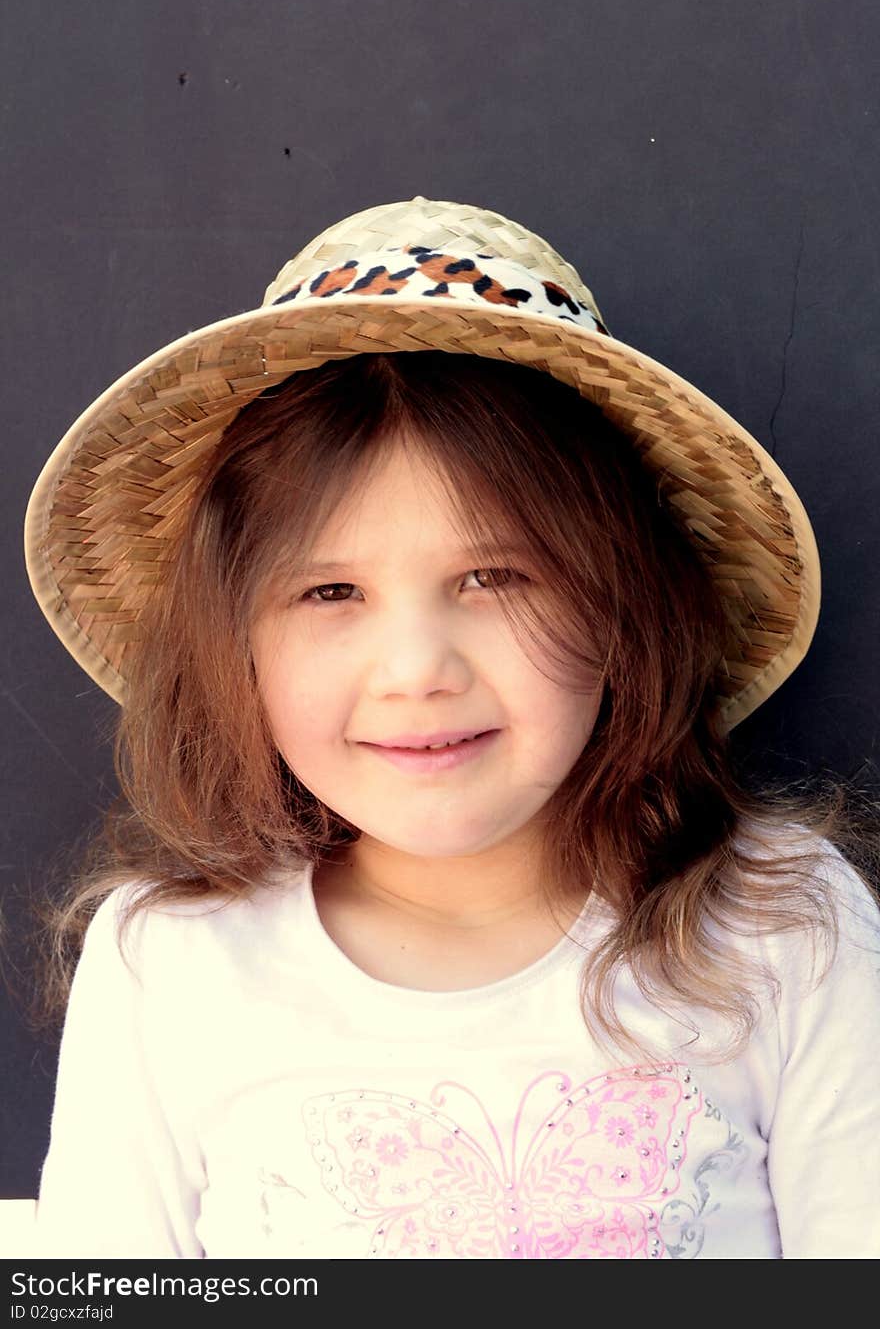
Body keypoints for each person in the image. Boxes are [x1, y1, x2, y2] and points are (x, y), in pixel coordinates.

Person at [22, 196, 880, 1260]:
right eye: (330, 592)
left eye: (492, 576)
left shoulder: (779, 929)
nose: (417, 670)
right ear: (233, 647)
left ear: (620, 606)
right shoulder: (173, 961)